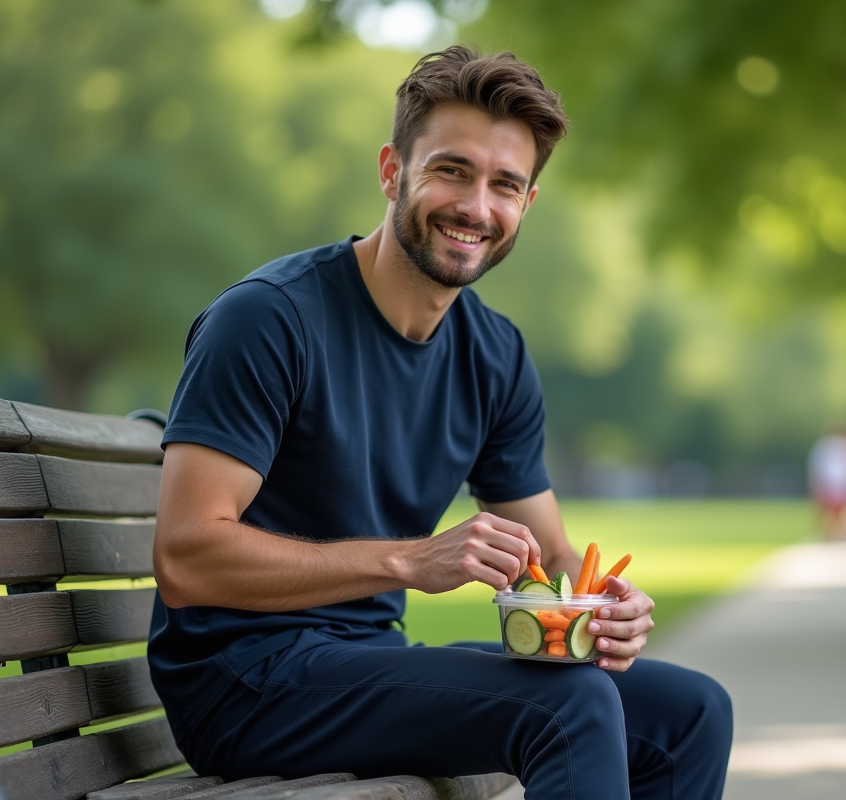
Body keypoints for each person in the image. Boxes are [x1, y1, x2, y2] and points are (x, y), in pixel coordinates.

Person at [148, 46, 732, 800]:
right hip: (244, 684)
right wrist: (407, 562)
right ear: (393, 171)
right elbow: (187, 558)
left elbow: (549, 551)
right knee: (571, 705)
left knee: (692, 711)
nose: (476, 207)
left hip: (363, 660)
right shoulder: (268, 319)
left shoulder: (494, 353)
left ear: (527, 205)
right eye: (451, 170)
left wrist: (603, 607)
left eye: (505, 185)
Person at [806, 423, 846, 540]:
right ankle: (831, 534)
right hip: (829, 485)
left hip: (843, 486)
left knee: (843, 515)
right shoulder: (825, 446)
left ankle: (840, 534)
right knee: (829, 514)